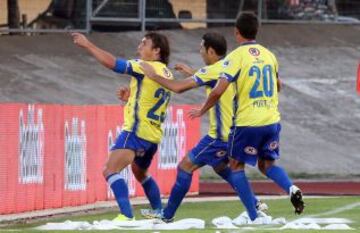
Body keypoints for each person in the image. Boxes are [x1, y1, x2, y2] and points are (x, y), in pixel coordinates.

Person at [187, 12, 305, 221]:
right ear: (256, 31)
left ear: (236, 32)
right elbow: (278, 85)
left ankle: (253, 215)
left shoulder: (235, 57)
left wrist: (202, 110)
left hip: (247, 122)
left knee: (235, 166)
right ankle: (291, 187)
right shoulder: (269, 55)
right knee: (267, 165)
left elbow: (217, 91)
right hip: (271, 120)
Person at [140, 32, 267, 223]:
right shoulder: (232, 66)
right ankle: (254, 203)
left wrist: (154, 76)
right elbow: (212, 78)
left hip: (219, 137)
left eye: (201, 48)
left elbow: (178, 88)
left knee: (185, 167)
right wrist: (193, 72)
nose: (200, 52)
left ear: (211, 51)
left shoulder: (212, 71)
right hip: (236, 132)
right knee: (220, 167)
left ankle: (166, 216)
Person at [71, 32, 173, 221]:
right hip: (152, 136)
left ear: (157, 50)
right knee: (139, 171)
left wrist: (89, 45)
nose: (139, 46)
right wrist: (131, 99)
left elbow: (114, 64)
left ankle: (126, 216)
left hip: (135, 132)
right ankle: (159, 211)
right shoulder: (166, 73)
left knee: (109, 170)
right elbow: (151, 100)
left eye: (145, 43)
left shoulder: (144, 66)